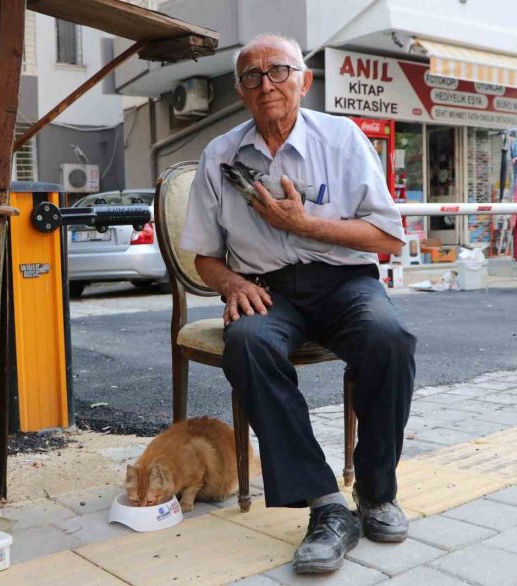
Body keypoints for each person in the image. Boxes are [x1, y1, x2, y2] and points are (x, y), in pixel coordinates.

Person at [180, 34, 416, 574]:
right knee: (247, 341)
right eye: (252, 76)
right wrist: (230, 284)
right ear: (240, 91)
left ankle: (376, 492)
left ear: (304, 81)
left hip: (343, 283)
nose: (266, 84)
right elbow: (205, 257)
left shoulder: (343, 138)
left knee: (390, 338)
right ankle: (326, 505)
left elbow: (388, 238)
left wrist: (305, 224)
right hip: (265, 288)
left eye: (279, 71)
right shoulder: (220, 155)